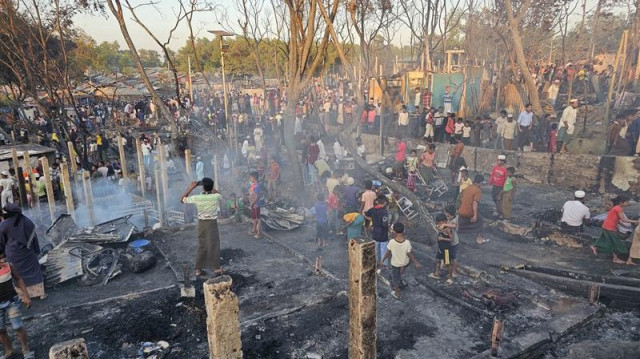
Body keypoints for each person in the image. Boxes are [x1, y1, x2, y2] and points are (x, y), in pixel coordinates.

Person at [180, 178, 224, 277]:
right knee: (214, 244)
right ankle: (216, 268)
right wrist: (211, 187)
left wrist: (190, 188)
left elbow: (181, 200)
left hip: (202, 224)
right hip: (212, 223)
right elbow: (219, 194)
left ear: (202, 187)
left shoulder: (196, 198)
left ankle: (198, 270)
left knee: (202, 244)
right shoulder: (216, 197)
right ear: (211, 187)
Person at [0, 205, 44, 300]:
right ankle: (38, 293)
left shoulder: (4, 225)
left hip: (13, 257)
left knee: (17, 276)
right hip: (29, 256)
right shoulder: (27, 222)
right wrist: (37, 251)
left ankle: (22, 296)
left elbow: (1, 242)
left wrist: (2, 255)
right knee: (34, 274)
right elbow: (34, 240)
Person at [0, 250, 33, 359]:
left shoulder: (9, 266)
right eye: (0, 259)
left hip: (12, 301)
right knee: (1, 329)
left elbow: (18, 279)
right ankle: (9, 350)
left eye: (3, 258)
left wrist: (26, 295)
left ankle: (25, 349)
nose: (2, 260)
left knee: (17, 326)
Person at [591, 195, 638, 264]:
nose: (628, 203)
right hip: (609, 228)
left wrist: (624, 226)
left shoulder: (616, 208)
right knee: (616, 243)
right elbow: (623, 219)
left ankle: (595, 246)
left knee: (606, 239)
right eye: (627, 202)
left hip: (607, 226)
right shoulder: (618, 209)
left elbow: (617, 220)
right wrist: (636, 222)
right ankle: (615, 258)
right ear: (622, 202)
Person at [381, 222, 421, 300]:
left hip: (395, 264)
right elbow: (410, 254)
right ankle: (400, 278)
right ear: (404, 231)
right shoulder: (407, 242)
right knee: (403, 267)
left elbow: (388, 252)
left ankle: (397, 292)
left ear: (394, 231)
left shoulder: (392, 242)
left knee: (395, 279)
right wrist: (416, 263)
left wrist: (383, 260)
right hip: (405, 262)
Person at [428, 209, 458, 284]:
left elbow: (451, 239)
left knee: (447, 263)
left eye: (440, 222)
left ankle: (450, 278)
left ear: (444, 221)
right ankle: (436, 274)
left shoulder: (447, 229)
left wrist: (442, 238)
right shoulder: (440, 226)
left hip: (446, 249)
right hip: (440, 248)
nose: (439, 223)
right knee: (438, 260)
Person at [458, 174, 487, 244]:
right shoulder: (478, 191)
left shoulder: (468, 187)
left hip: (461, 211)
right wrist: (475, 215)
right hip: (468, 212)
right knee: (480, 221)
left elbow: (460, 198)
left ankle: (457, 235)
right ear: (481, 183)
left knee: (461, 225)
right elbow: (475, 203)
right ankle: (479, 239)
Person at [365, 195, 390, 270]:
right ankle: (383, 265)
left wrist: (371, 219)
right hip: (383, 234)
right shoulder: (384, 212)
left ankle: (374, 264)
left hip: (375, 233)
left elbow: (366, 214)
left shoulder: (372, 210)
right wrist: (389, 226)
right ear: (385, 203)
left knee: (375, 249)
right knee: (383, 250)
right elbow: (384, 224)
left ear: (377, 201)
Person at [248, 171, 262, 239]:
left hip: (256, 205)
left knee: (258, 219)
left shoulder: (257, 186)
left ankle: (258, 233)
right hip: (253, 204)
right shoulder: (253, 185)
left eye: (251, 177)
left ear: (254, 177)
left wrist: (252, 203)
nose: (250, 178)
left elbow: (257, 197)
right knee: (254, 218)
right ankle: (254, 230)